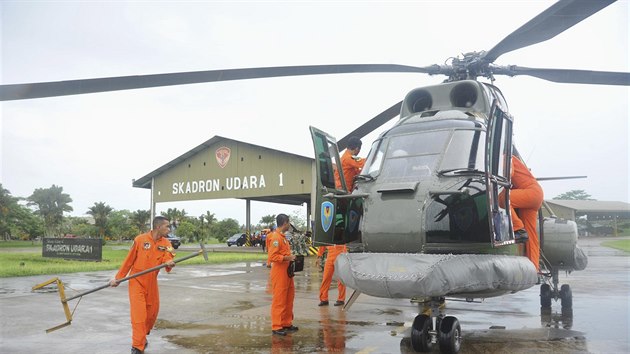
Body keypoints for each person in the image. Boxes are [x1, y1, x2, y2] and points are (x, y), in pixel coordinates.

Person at [109, 216, 176, 354]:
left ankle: (142, 336)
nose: (169, 229)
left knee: (152, 314)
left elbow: (168, 258)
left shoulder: (166, 243)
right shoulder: (140, 240)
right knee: (139, 315)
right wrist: (118, 278)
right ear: (158, 227)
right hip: (137, 281)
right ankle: (137, 346)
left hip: (152, 282)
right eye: (167, 226)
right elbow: (129, 260)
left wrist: (169, 263)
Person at [499, 155, 544, 271]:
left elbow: (508, 173)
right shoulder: (511, 158)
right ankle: (534, 269)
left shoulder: (505, 156)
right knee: (531, 236)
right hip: (535, 194)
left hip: (531, 192)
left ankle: (518, 229)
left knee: (503, 198)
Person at [267, 214, 298, 336]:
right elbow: (272, 257)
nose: (289, 224)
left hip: (287, 272)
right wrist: (287, 257)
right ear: (285, 223)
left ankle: (286, 323)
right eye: (289, 222)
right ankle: (276, 326)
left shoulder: (283, 237)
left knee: (289, 298)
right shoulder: (276, 238)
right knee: (279, 299)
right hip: (279, 272)